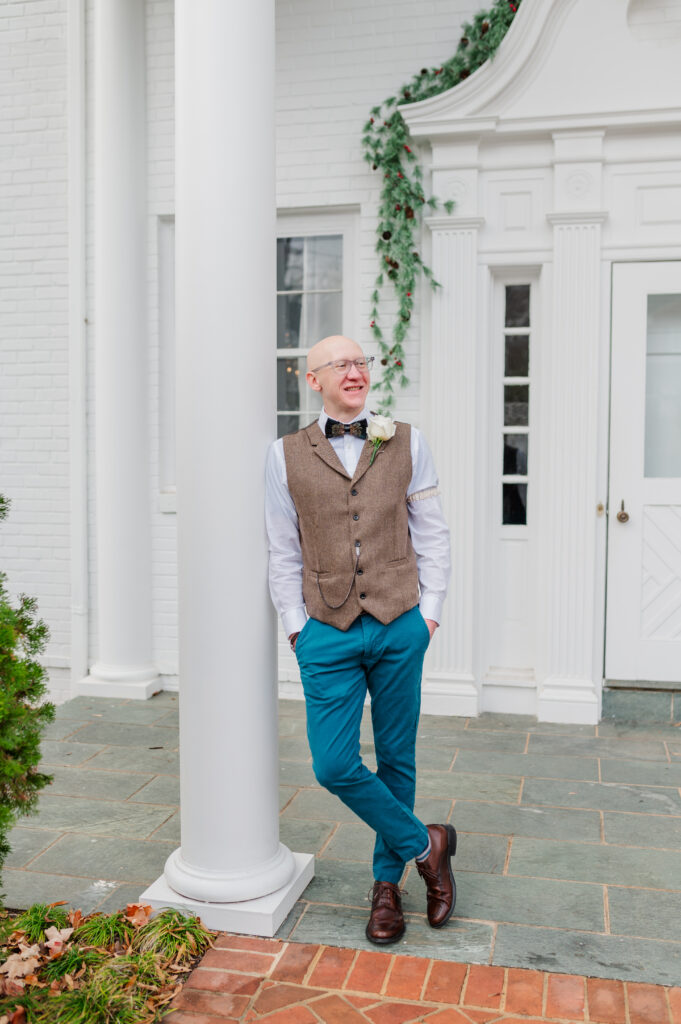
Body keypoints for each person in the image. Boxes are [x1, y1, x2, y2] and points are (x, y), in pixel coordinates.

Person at [265, 334, 454, 945]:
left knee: (397, 758)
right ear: (313, 379)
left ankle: (386, 888)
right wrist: (295, 626)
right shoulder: (283, 455)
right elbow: (281, 548)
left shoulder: (408, 441)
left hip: (401, 622)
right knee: (334, 764)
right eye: (340, 364)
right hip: (326, 630)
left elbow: (432, 529)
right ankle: (428, 848)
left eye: (360, 363)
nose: (355, 372)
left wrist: (429, 614)